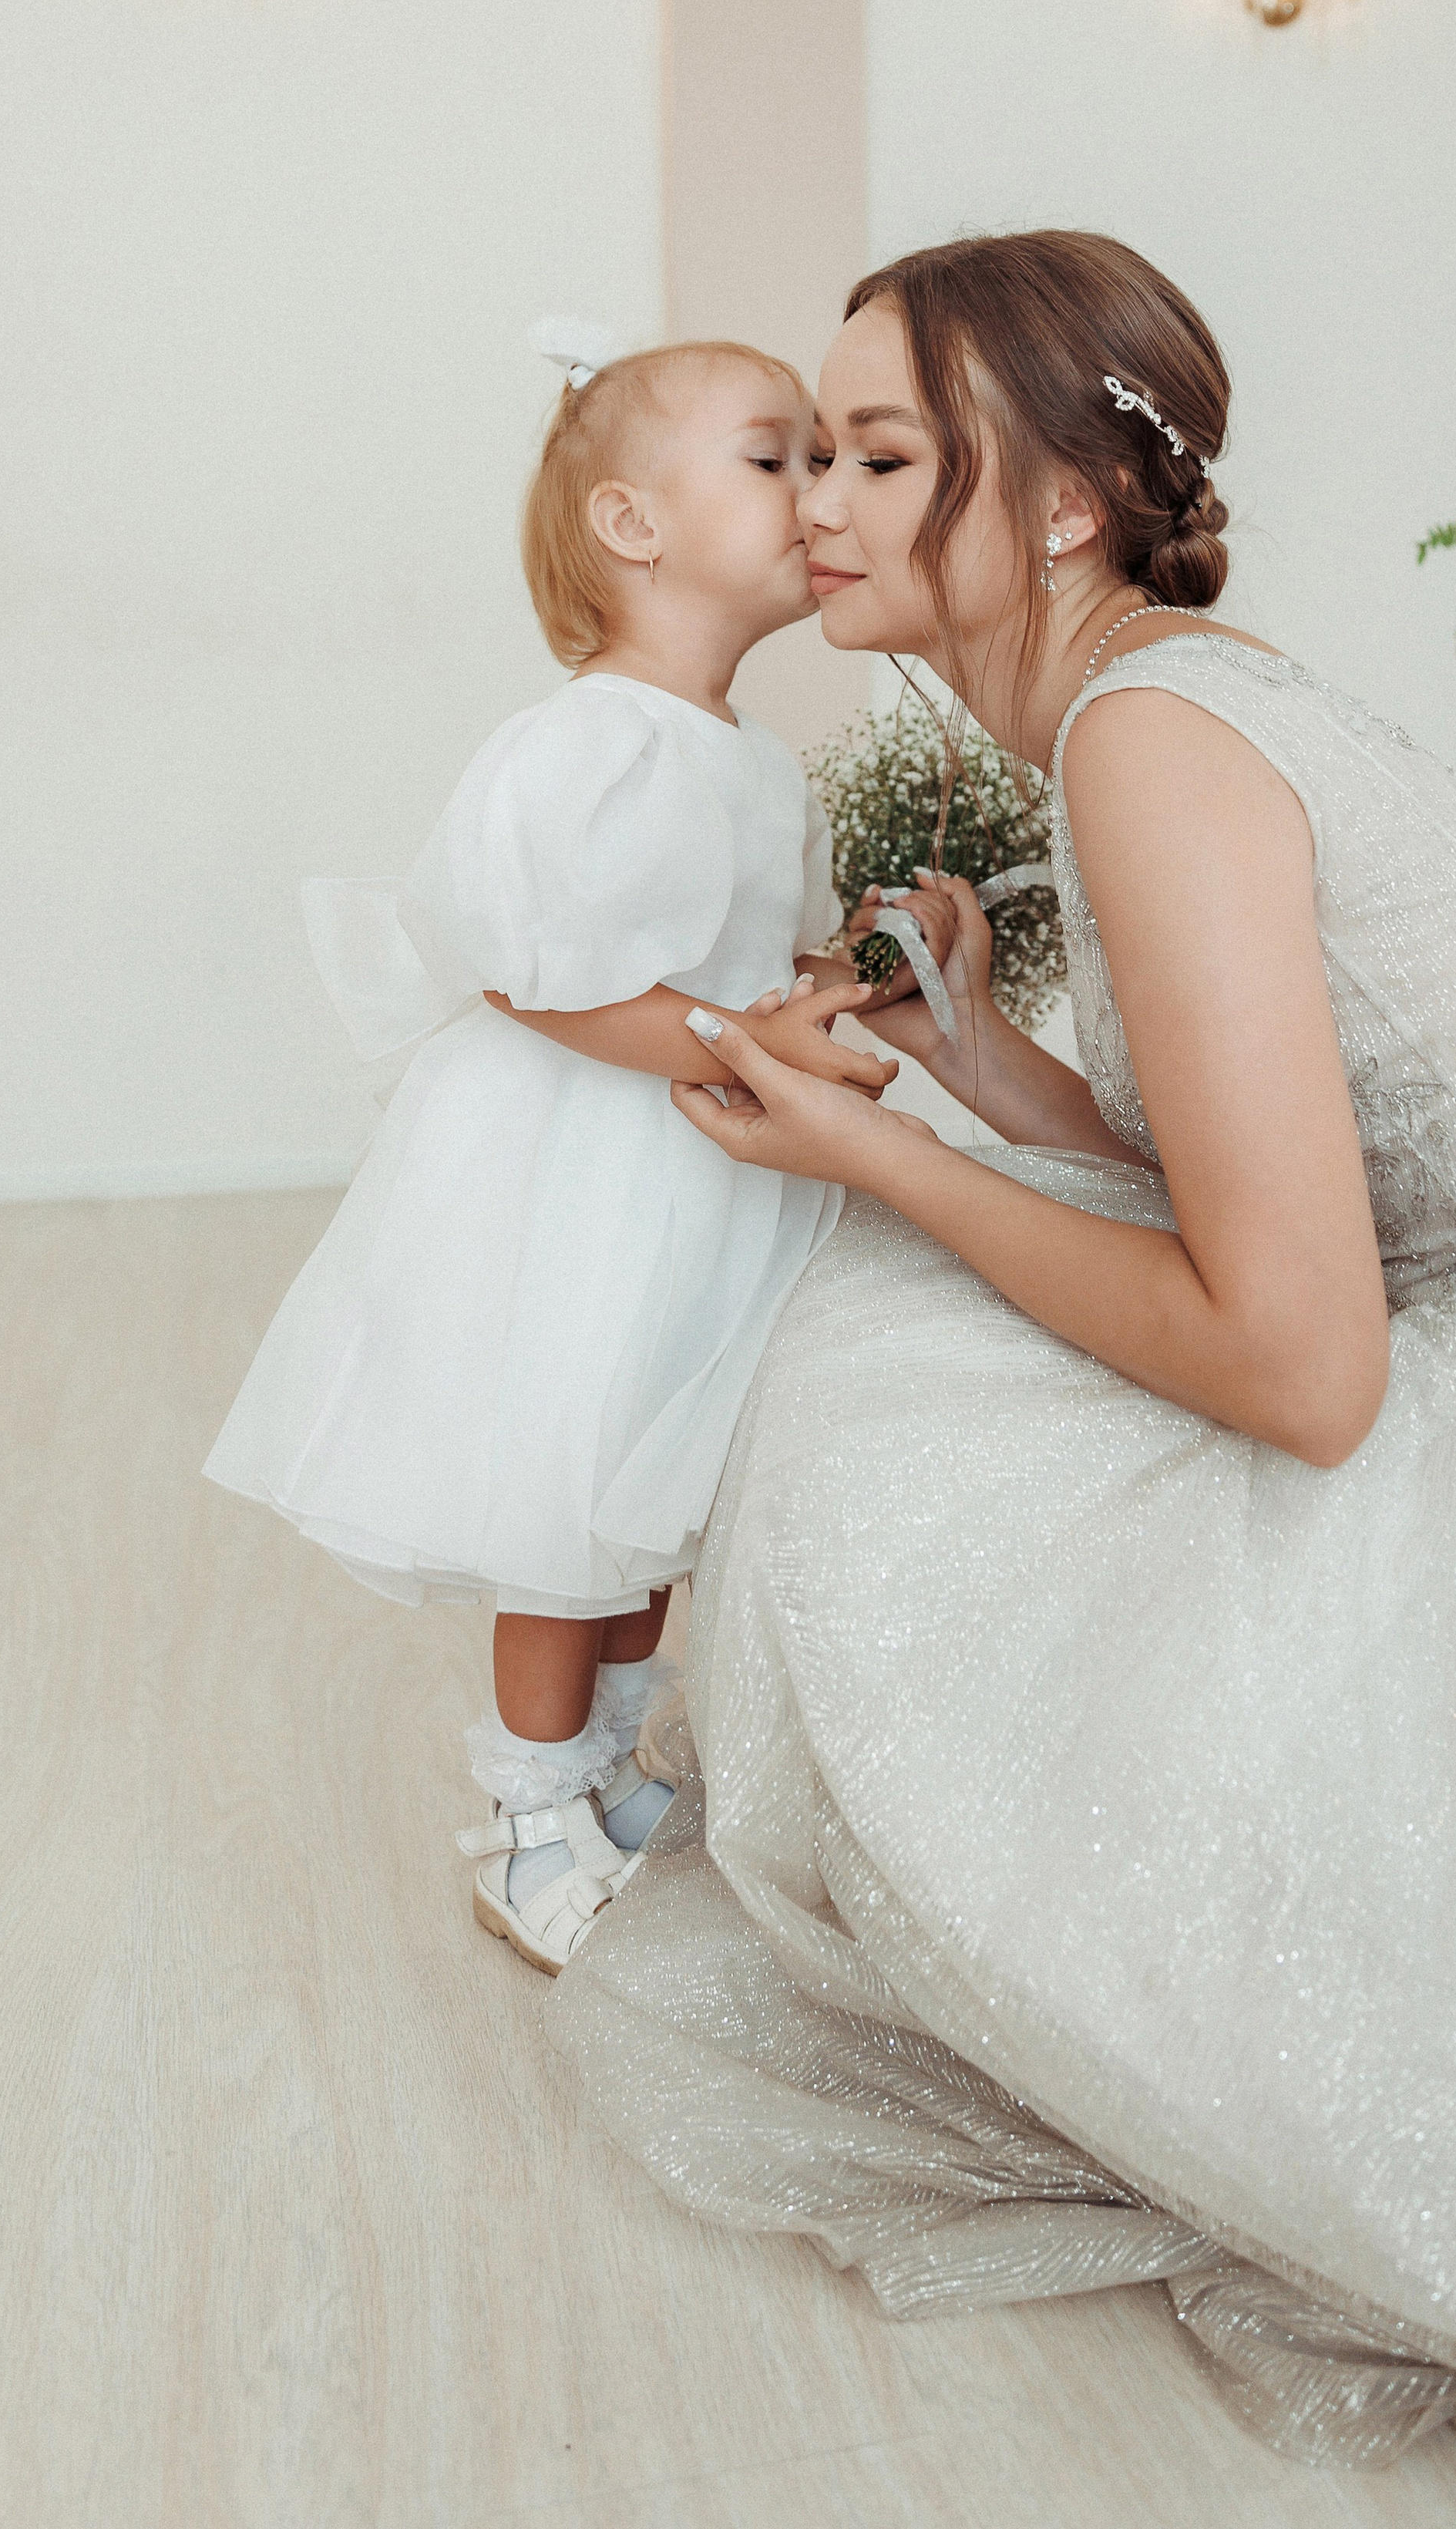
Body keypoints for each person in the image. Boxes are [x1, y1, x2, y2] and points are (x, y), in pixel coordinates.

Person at [546, 231, 1456, 2519]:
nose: (818, 490)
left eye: (883, 450)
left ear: (1059, 505)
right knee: (903, 1320)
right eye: (813, 443)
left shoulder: (1145, 741)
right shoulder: (1150, 694)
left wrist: (881, 1162)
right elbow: (1262, 1178)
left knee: (878, 1379)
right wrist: (991, 1072)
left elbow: (1303, 1364)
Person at [206, 335, 896, 1976]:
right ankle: (524, 1819)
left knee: (653, 1494)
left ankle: (606, 1767)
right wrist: (743, 1043)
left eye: (827, 457)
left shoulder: (744, 753)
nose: (819, 491)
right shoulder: (586, 744)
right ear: (632, 524)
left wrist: (827, 981)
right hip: (586, 1172)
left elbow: (739, 952)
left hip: (700, 1164)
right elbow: (539, 974)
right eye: (774, 457)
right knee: (566, 1503)